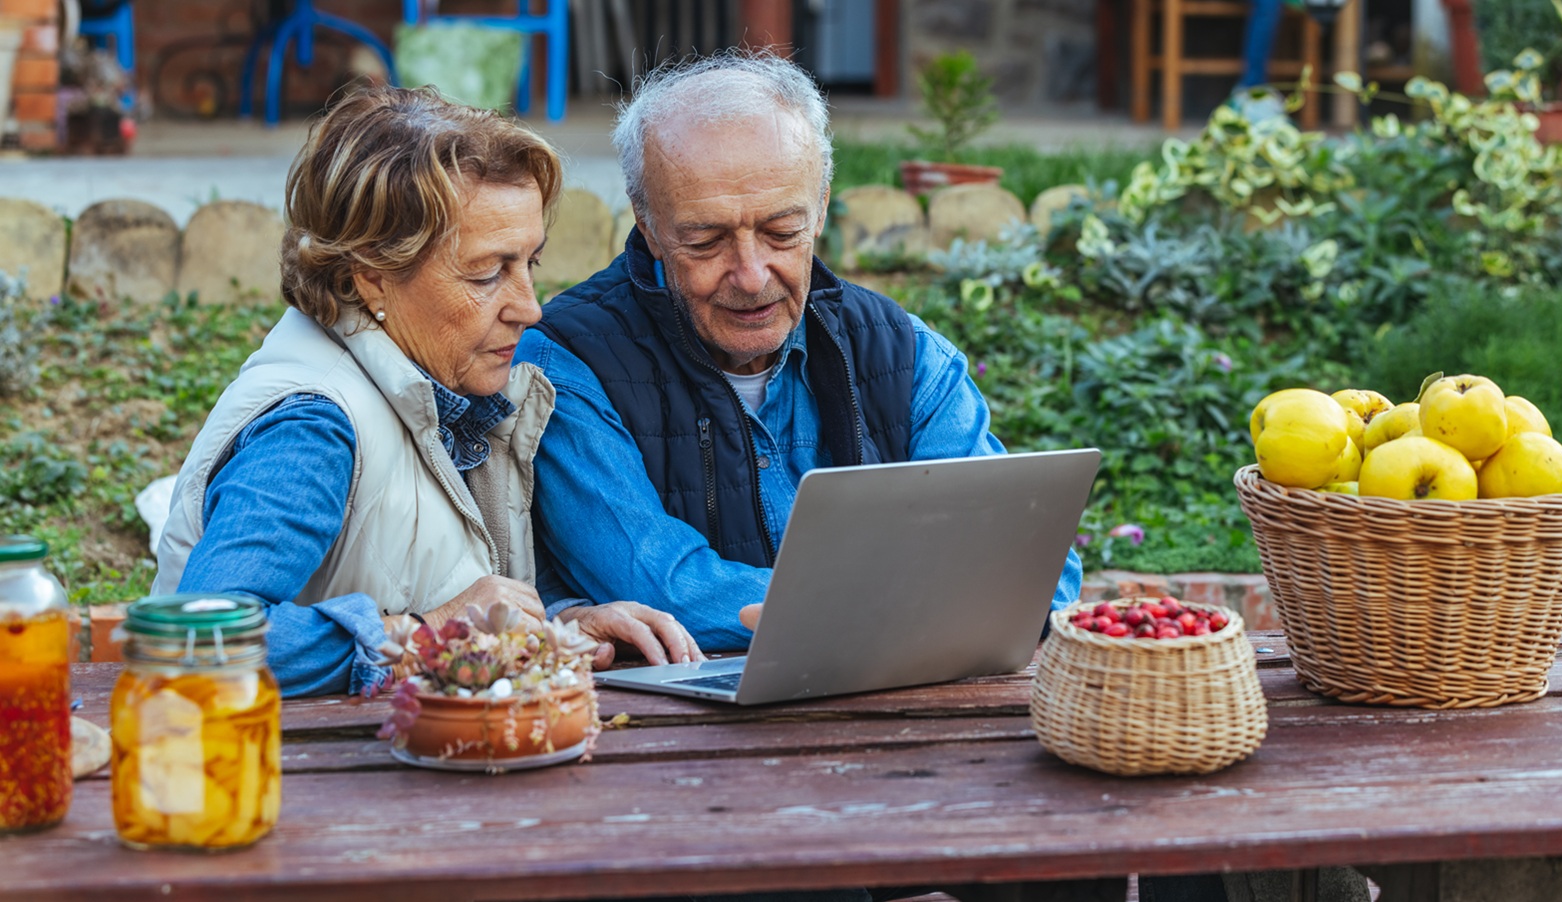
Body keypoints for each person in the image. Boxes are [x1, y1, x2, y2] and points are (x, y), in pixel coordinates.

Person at [512, 50, 1084, 649]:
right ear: (649, 225)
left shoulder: (904, 353)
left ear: (821, 208)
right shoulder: (566, 364)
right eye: (706, 241)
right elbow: (665, 587)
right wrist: (916, 607)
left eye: (783, 233)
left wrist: (851, 614)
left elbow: (1032, 563)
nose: (753, 274)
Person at [153, 84, 701, 698]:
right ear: (372, 279)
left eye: (530, 264)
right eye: (488, 272)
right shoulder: (312, 428)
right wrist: (429, 633)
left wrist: (554, 625)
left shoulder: (438, 390)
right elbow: (198, 641)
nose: (530, 308)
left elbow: (433, 583)